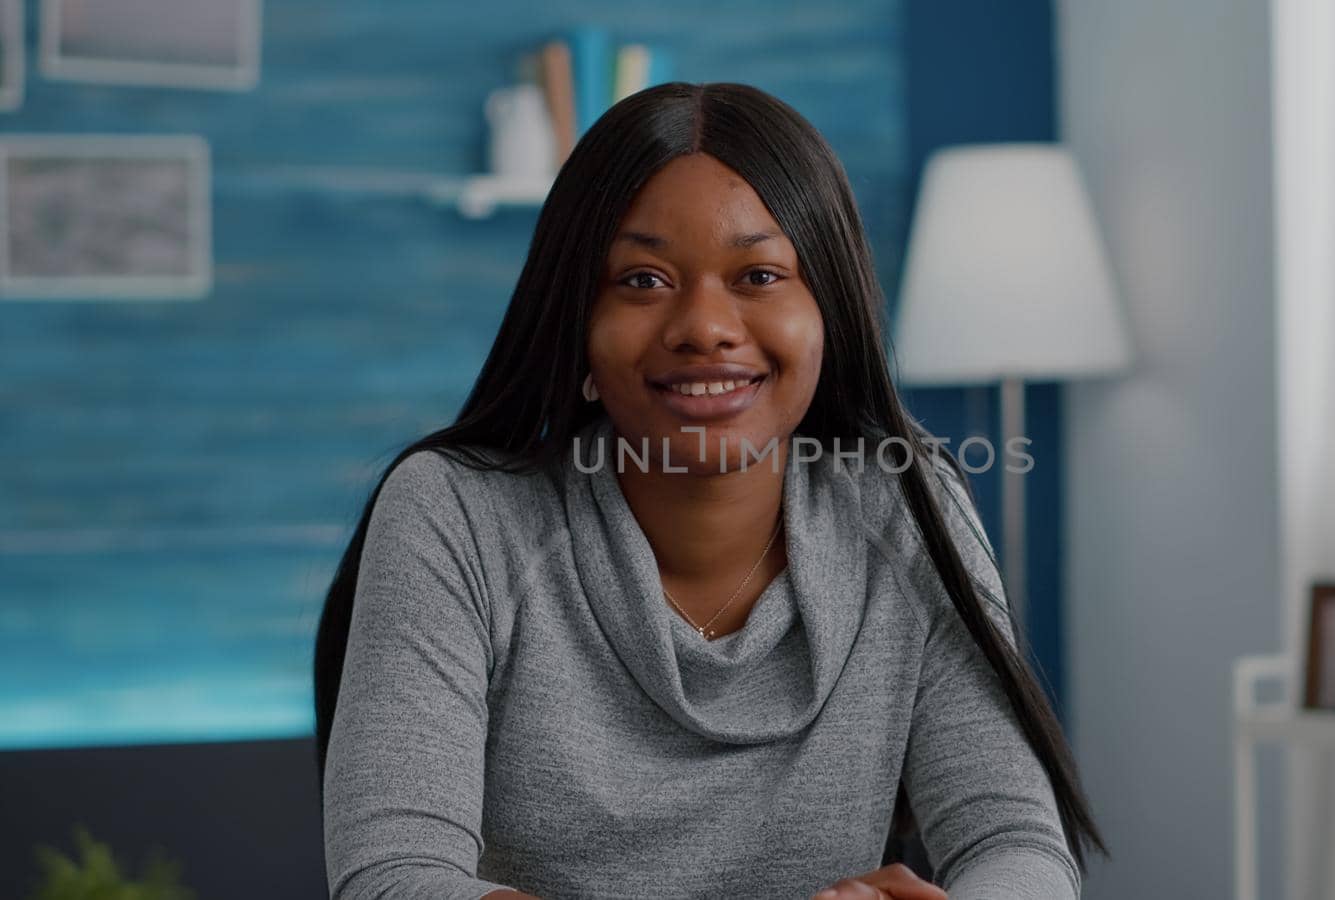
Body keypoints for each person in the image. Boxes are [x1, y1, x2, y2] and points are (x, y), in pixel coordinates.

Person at [315, 81, 1104, 900]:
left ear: (827, 311)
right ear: (576, 321)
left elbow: (1014, 840)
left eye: (759, 274)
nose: (704, 326)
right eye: (644, 280)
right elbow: (393, 878)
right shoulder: (456, 515)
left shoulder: (907, 506)